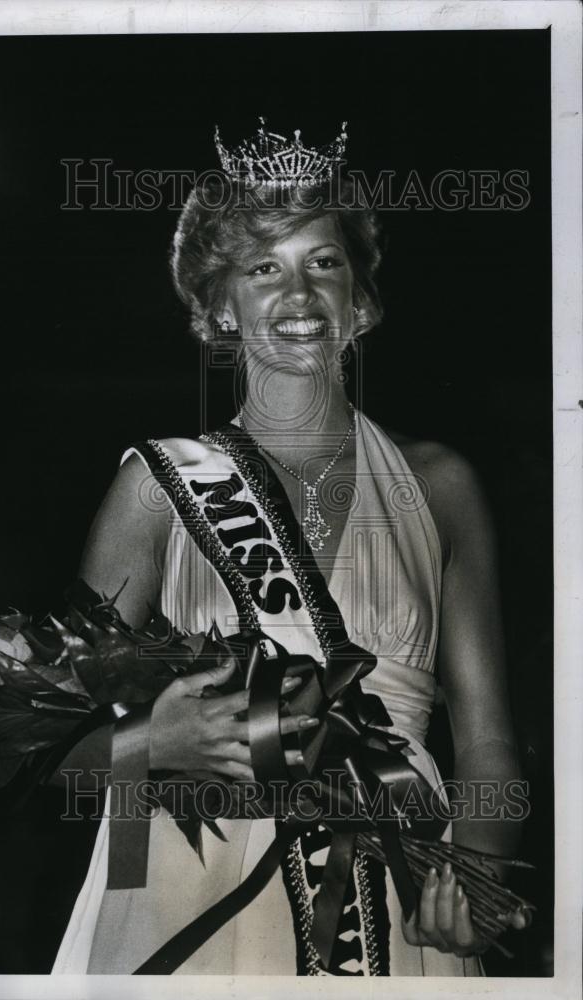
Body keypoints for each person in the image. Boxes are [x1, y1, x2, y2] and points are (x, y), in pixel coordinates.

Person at [51, 121, 526, 975]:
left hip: (396, 880)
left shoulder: (442, 484)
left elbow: (490, 739)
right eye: (264, 268)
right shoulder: (156, 489)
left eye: (324, 262)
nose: (298, 294)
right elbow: (52, 742)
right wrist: (154, 744)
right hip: (187, 887)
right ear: (218, 308)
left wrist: (479, 877)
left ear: (363, 301)